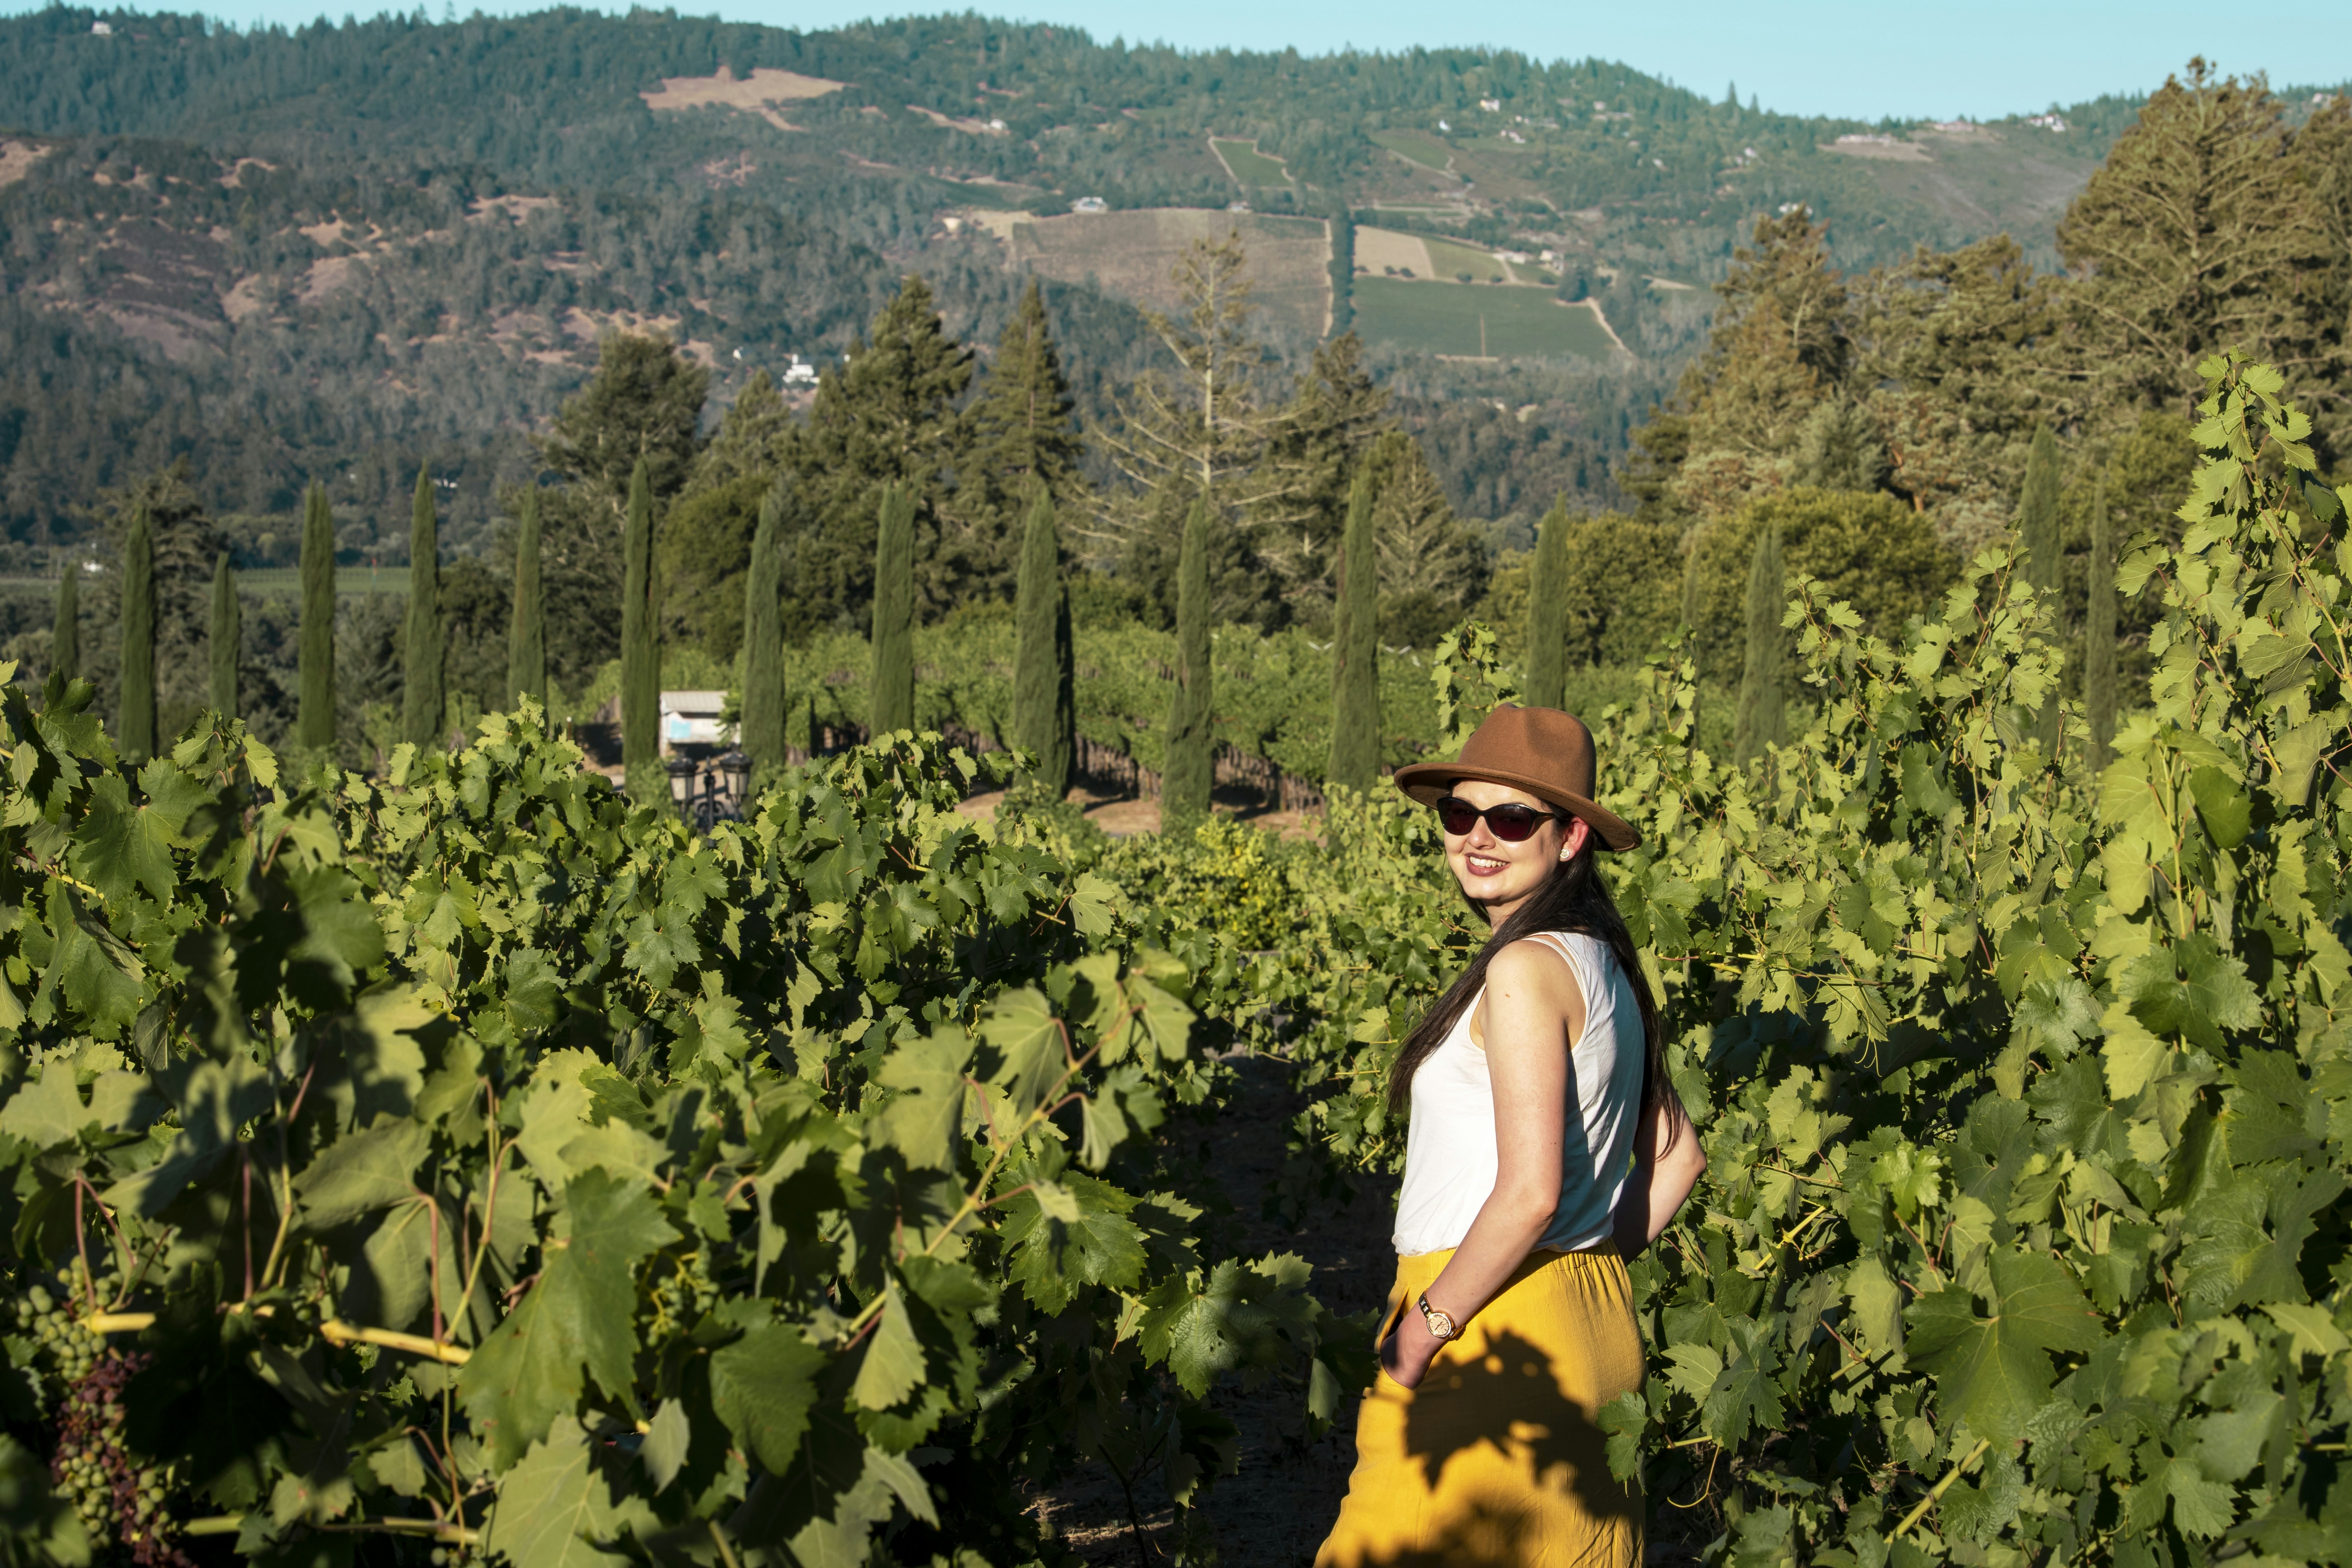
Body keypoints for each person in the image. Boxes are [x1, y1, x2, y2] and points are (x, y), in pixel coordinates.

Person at [1315, 703, 1706, 1568]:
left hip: (1486, 1327)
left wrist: (1422, 1329)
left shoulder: (1525, 969)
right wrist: (1589, 1255)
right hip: (1590, 1323)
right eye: (1461, 813)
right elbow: (1681, 1154)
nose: (1478, 836)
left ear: (1570, 838)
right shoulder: (1604, 961)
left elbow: (1528, 1193)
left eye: (1513, 817)